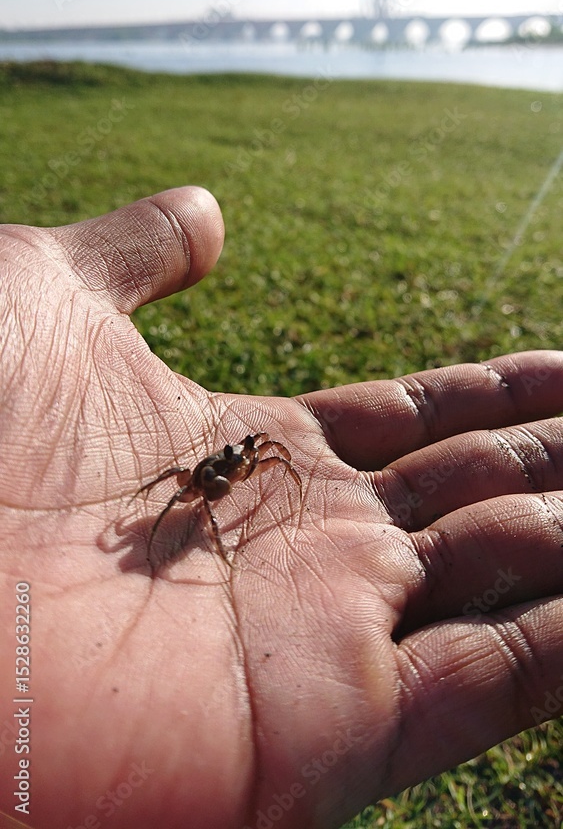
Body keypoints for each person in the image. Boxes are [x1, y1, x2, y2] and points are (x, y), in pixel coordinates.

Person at [1, 186, 562, 829]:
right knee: (178, 503)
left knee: (230, 475)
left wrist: (273, 480)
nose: (259, 456)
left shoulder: (251, 455)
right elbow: (175, 494)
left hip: (215, 480)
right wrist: (157, 512)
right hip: (206, 488)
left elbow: (259, 454)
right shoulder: (204, 483)